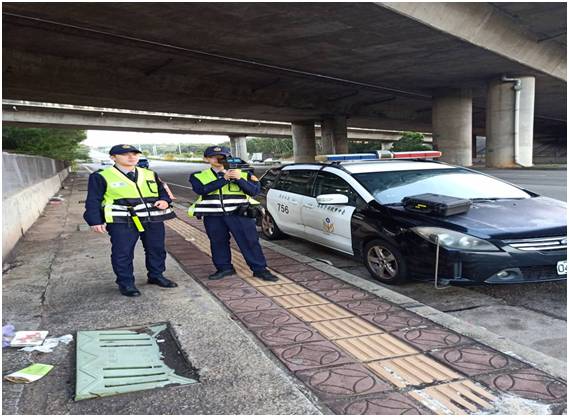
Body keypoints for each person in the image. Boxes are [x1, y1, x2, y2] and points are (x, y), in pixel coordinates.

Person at [84, 144, 178, 297]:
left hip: (151, 218)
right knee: (123, 252)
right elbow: (93, 200)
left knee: (156, 248)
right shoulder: (101, 176)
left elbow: (163, 192)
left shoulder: (149, 173)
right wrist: (95, 220)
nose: (131, 157)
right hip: (122, 220)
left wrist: (164, 201)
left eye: (135, 154)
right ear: (113, 157)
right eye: (125, 154)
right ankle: (126, 283)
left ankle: (156, 275)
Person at [188, 146, 278, 282]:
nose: (218, 159)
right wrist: (224, 179)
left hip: (240, 214)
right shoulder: (198, 176)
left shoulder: (244, 173)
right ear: (206, 159)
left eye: (222, 156)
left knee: (250, 241)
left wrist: (239, 179)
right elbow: (202, 190)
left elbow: (254, 191)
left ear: (228, 158)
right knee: (218, 242)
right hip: (213, 216)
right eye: (213, 157)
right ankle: (224, 268)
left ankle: (260, 269)